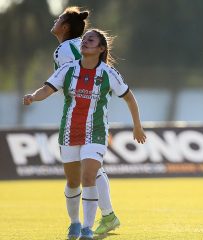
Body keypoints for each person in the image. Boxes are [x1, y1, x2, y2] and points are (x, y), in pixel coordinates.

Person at [23, 28, 147, 240]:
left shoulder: (109, 73)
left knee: (88, 176)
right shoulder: (68, 69)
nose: (85, 42)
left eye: (91, 40)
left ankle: (87, 229)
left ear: (101, 48)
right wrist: (33, 97)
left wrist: (137, 126)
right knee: (73, 181)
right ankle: (75, 223)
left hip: (96, 132)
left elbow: (129, 97)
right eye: (85, 39)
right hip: (70, 131)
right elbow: (47, 89)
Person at [50, 7, 122, 237]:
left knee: (89, 173)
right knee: (92, 171)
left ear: (66, 27)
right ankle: (107, 215)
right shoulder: (81, 44)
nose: (55, 20)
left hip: (83, 116)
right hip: (93, 112)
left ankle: (106, 216)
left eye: (59, 18)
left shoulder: (65, 49)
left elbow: (74, 80)